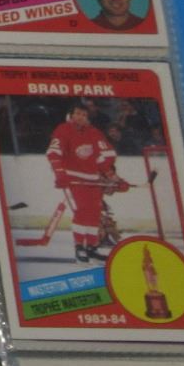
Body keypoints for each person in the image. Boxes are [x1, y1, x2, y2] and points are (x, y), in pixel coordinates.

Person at [45, 100, 128, 263]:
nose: (81, 117)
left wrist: (115, 179)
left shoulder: (94, 133)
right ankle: (79, 248)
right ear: (70, 115)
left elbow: (102, 161)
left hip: (93, 180)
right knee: (82, 212)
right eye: (77, 113)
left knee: (94, 214)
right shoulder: (63, 130)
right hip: (73, 179)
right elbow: (53, 153)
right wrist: (60, 174)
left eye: (84, 115)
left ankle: (91, 247)